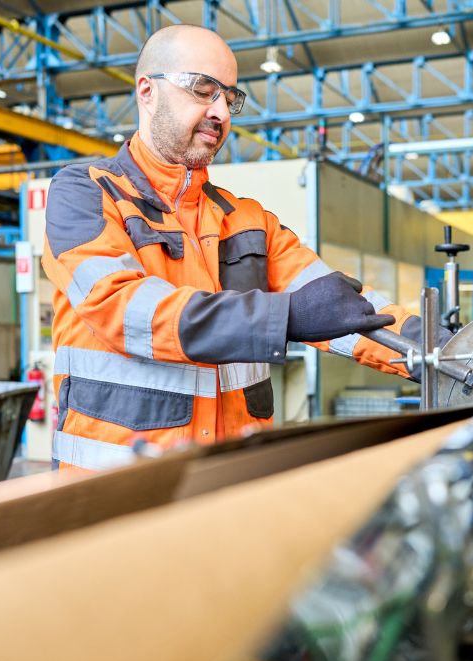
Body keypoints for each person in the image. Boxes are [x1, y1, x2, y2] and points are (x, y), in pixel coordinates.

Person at [42, 24, 449, 472]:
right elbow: (121, 307)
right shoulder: (85, 194)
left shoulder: (249, 220)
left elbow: (347, 308)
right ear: (147, 91)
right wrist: (284, 316)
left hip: (228, 481)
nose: (220, 112)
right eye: (202, 90)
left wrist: (446, 350)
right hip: (120, 495)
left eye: (229, 98)